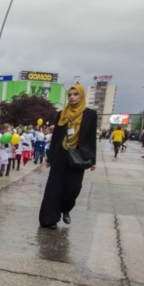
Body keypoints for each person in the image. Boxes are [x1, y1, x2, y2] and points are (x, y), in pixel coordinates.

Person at [39, 84, 97, 229]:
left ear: (81, 96)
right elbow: (56, 137)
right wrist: (50, 157)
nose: (72, 97)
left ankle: (65, 209)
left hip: (78, 155)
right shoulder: (62, 114)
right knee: (53, 187)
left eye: (75, 94)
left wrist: (92, 159)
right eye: (70, 95)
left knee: (73, 188)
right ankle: (49, 219)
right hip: (61, 153)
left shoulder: (90, 114)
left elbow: (91, 138)